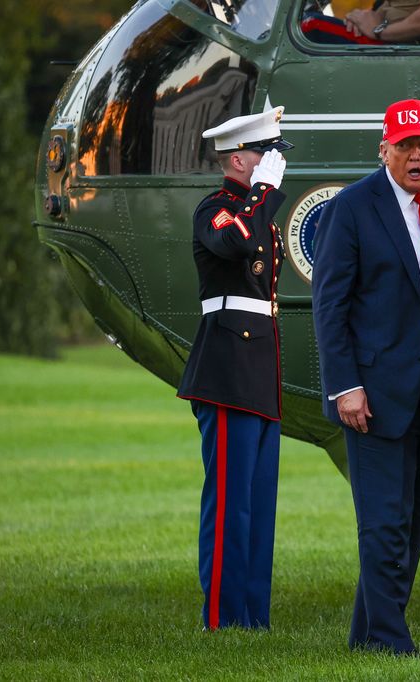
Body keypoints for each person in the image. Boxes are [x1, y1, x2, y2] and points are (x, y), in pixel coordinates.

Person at [312, 99, 420, 653]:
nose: (416, 155)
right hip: (374, 388)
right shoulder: (351, 208)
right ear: (385, 149)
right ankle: (390, 643)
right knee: (382, 519)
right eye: (405, 146)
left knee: (415, 520)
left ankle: (368, 635)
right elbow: (329, 305)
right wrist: (345, 386)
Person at [176, 107, 292, 630]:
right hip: (226, 370)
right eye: (269, 155)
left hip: (260, 368)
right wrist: (262, 194)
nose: (277, 165)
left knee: (258, 505)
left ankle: (254, 619)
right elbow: (236, 242)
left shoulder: (251, 208)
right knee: (229, 504)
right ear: (241, 159)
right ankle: (223, 619)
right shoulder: (216, 209)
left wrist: (261, 198)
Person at [301, 0, 420, 44]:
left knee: (310, 24)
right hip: (389, 39)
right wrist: (359, 20)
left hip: (406, 46)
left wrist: (378, 32)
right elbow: (386, 12)